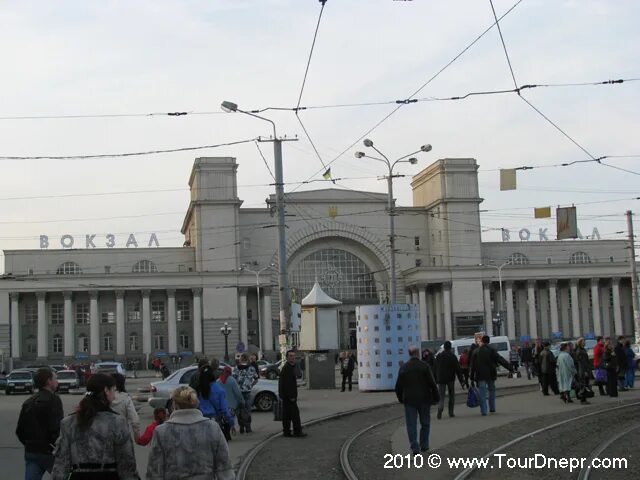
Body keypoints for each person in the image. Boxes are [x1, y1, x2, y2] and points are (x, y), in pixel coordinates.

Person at [51, 373, 138, 480]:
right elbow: (126, 463)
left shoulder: (68, 423)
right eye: (113, 390)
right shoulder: (117, 422)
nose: (114, 395)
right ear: (106, 390)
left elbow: (61, 464)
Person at [146, 386, 234, 480]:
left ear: (174, 404)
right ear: (195, 403)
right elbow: (224, 469)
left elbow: (154, 472)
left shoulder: (161, 432)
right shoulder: (212, 428)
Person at [16, 367, 64, 480]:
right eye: (55, 378)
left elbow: (20, 431)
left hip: (31, 451)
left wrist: (30, 444)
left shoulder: (28, 402)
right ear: (48, 381)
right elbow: (56, 429)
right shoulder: (54, 400)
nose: (58, 381)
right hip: (48, 452)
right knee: (67, 475)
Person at [395, 346, 439, 454]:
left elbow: (398, 386)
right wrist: (436, 397)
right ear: (418, 353)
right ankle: (424, 445)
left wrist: (401, 398)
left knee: (411, 424)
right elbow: (432, 383)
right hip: (424, 398)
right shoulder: (424, 366)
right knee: (425, 423)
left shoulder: (404, 368)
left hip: (409, 400)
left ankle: (414, 447)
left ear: (409, 354)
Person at [469, 335, 512, 416]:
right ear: (488, 341)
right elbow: (500, 359)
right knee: (491, 390)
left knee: (482, 393)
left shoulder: (476, 351)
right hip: (491, 374)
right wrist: (510, 368)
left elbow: (472, 366)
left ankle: (484, 411)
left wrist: (471, 377)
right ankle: (492, 408)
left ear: (482, 341)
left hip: (480, 375)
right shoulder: (491, 350)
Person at [196, 365, 235, 440]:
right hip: (215, 421)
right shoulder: (219, 390)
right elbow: (224, 410)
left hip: (200, 420)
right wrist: (231, 423)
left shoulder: (198, 390)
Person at [279, 350, 306, 437]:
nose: (293, 357)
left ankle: (287, 431)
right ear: (287, 357)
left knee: (287, 415)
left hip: (286, 395)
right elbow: (287, 384)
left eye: (293, 356)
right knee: (294, 415)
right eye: (290, 356)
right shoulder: (287, 368)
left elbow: (297, 376)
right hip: (289, 396)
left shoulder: (290, 367)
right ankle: (297, 431)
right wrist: (291, 396)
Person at [434, 341, 465, 419]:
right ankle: (451, 412)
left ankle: (440, 409)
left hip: (441, 379)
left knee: (441, 396)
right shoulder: (452, 356)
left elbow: (435, 368)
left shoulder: (439, 356)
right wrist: (461, 380)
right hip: (450, 378)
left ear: (444, 347)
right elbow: (457, 369)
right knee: (451, 396)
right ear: (450, 347)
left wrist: (436, 378)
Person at [110, 373, 141, 442]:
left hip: (105, 435)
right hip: (123, 435)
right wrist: (137, 436)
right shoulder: (126, 398)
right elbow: (135, 420)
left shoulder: (103, 398)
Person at [233, 353, 259, 434]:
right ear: (247, 359)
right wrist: (251, 385)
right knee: (247, 410)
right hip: (247, 391)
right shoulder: (251, 368)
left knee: (239, 410)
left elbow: (233, 380)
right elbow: (256, 378)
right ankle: (248, 427)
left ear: (240, 359)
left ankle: (241, 427)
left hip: (238, 392)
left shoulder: (236, 368)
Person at [217, 366, 245, 433]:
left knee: (224, 418)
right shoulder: (232, 380)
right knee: (234, 416)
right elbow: (237, 393)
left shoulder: (218, 381)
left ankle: (228, 430)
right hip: (233, 404)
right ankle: (234, 427)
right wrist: (241, 400)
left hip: (222, 404)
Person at [573, 338, 592, 404]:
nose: (585, 342)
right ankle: (583, 399)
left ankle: (584, 399)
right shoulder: (580, 351)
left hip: (583, 370)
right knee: (583, 385)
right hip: (582, 370)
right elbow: (581, 362)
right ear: (580, 342)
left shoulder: (581, 350)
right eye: (584, 341)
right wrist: (585, 371)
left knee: (584, 384)